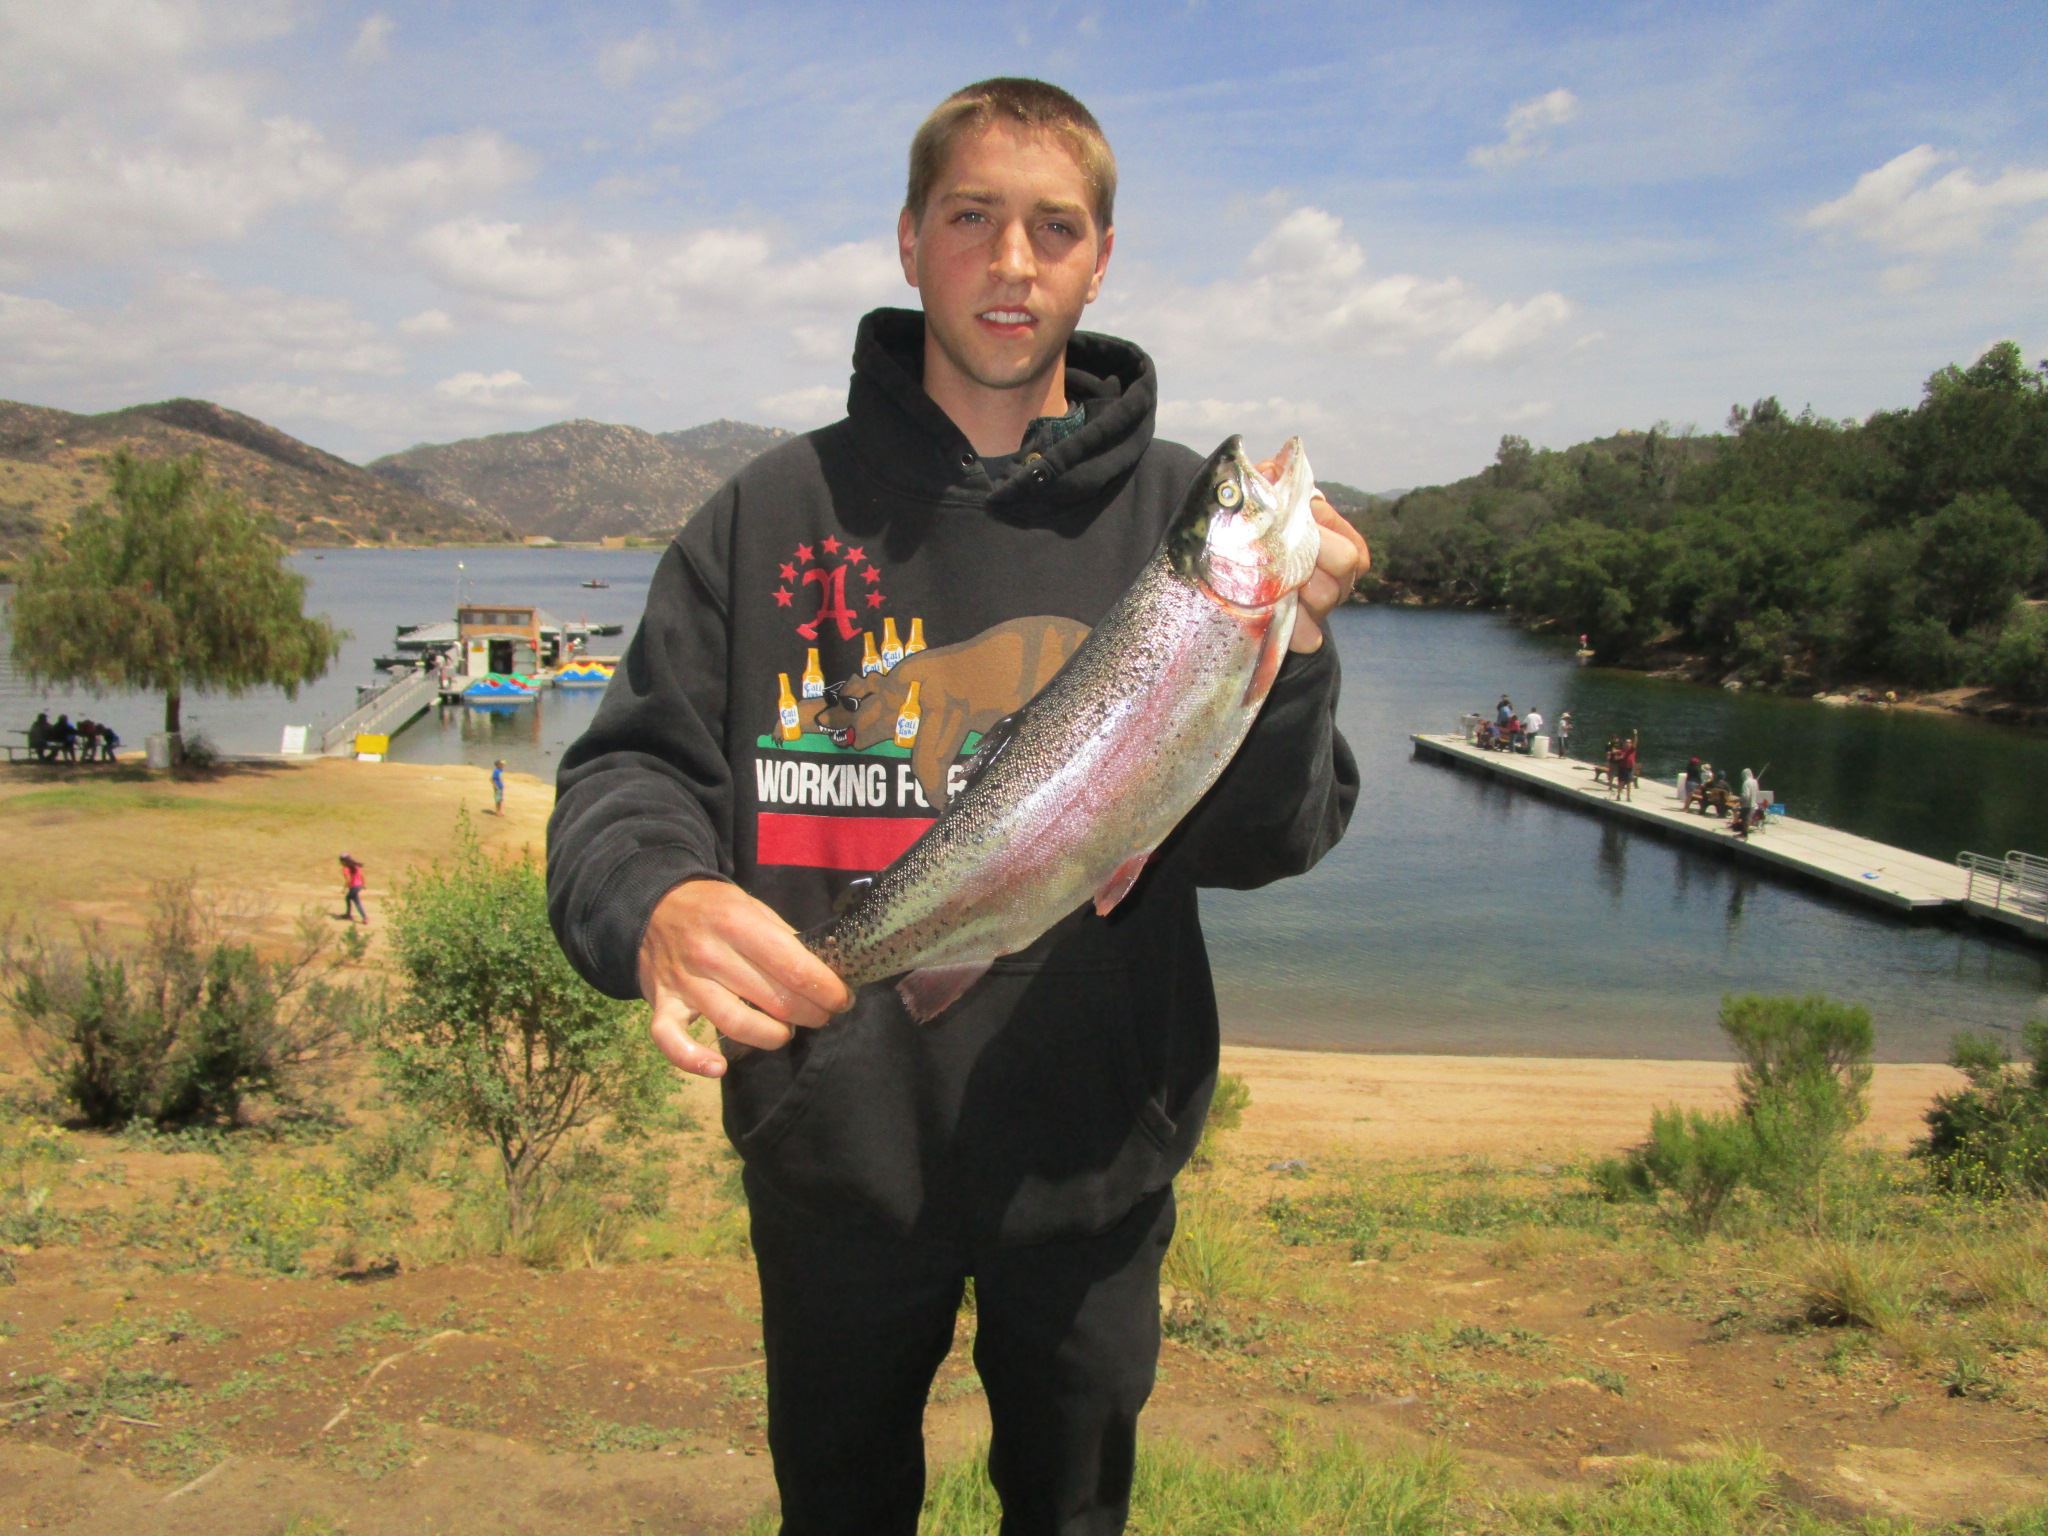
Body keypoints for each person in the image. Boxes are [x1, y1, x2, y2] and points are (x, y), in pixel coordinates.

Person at [545, 77, 1363, 1536]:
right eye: (973, 218)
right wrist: (655, 903)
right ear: (909, 240)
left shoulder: (1181, 522)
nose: (1013, 259)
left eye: (1055, 227)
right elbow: (627, 774)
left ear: (1101, 258)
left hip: (1092, 1162)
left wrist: (1286, 657)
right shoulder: (766, 511)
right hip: (832, 1151)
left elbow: (1272, 837)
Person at [338, 854, 368, 924]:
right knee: (348, 898)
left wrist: (344, 889)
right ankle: (348, 914)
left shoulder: (346, 868)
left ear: (343, 861)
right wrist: (364, 884)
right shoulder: (356, 866)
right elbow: (361, 875)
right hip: (359, 886)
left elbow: (348, 880)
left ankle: (365, 917)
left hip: (354, 887)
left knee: (356, 902)